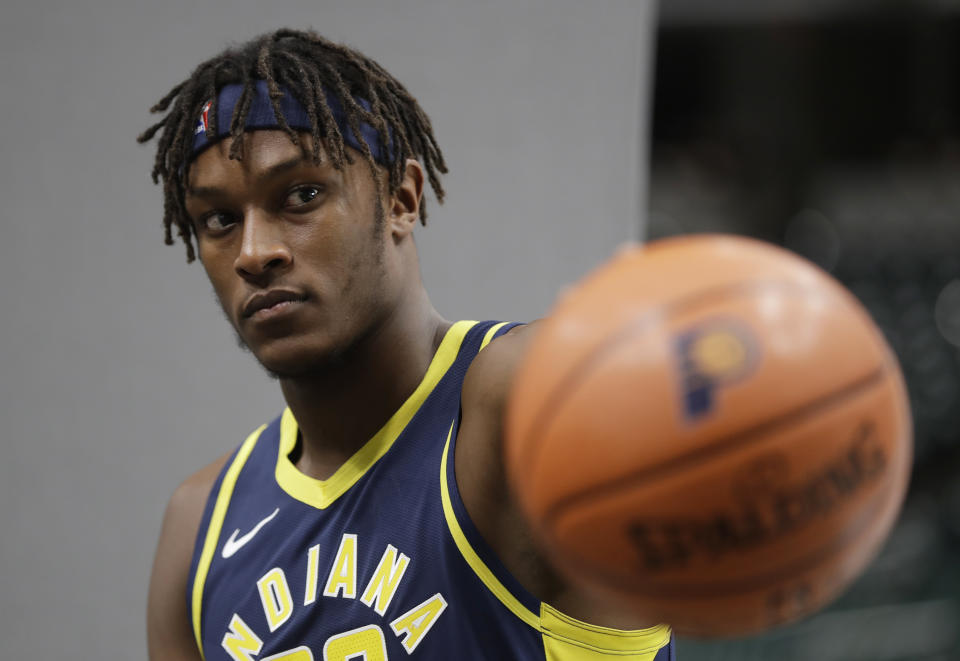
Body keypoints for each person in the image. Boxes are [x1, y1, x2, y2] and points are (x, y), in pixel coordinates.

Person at [140, 29, 674, 660]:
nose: (254, 252)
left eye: (302, 195)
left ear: (402, 198)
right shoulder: (201, 525)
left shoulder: (514, 403)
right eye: (220, 221)